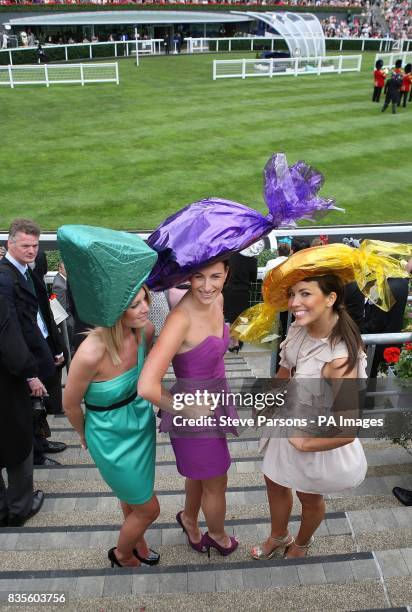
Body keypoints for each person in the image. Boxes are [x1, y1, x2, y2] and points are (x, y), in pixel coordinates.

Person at [237, 246, 369, 560]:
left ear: (331, 298)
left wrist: (305, 443)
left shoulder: (342, 359)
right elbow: (285, 369)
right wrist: (266, 401)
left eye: (305, 294)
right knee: (274, 482)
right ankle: (278, 536)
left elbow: (348, 430)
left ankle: (302, 542)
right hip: (287, 423)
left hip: (313, 438)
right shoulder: (299, 327)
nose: (294, 303)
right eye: (293, 294)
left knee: (308, 498)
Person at [60, 225, 160, 569]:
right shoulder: (90, 352)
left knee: (134, 497)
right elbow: (70, 405)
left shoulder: (145, 331)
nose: (146, 308)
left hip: (141, 427)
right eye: (135, 304)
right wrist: (82, 434)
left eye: (146, 298)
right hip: (108, 437)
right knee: (150, 508)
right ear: (116, 309)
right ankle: (121, 553)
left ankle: (138, 543)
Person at [139, 259, 239, 557]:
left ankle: (189, 519)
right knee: (217, 480)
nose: (207, 286)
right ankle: (218, 536)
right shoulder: (179, 319)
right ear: (188, 277)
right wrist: (186, 408)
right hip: (192, 413)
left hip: (217, 399)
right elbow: (146, 386)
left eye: (215, 277)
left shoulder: (218, 299)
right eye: (198, 277)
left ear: (227, 274)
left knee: (200, 473)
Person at [0, 219, 66, 466]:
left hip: (41, 347)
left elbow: (43, 313)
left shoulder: (30, 268)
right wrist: (28, 371)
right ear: (10, 244)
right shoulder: (5, 278)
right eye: (26, 245)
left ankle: (41, 442)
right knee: (28, 406)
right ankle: (36, 454)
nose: (31, 251)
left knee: (39, 403)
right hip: (24, 355)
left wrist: (56, 346)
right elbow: (10, 330)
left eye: (35, 246)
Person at [0, 295, 44, 527]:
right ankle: (19, 508)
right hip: (5, 388)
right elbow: (12, 346)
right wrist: (31, 371)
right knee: (18, 444)